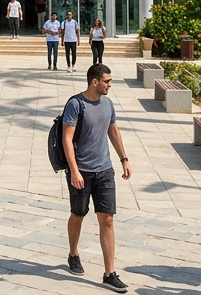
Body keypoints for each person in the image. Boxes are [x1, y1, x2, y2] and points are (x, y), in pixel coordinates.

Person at [61, 64, 131, 293]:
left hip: (104, 171)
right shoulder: (76, 104)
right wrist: (74, 171)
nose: (110, 85)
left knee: (108, 220)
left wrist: (124, 159)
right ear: (95, 82)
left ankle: (109, 273)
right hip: (81, 171)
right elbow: (67, 139)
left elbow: (114, 131)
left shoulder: (108, 104)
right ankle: (73, 254)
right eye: (107, 81)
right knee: (78, 214)